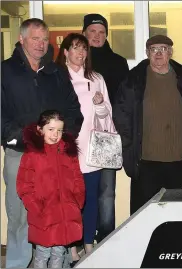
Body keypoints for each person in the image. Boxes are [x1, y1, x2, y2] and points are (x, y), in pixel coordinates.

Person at [1, 18, 83, 268]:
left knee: (58, 210)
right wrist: (29, 137)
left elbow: (74, 110)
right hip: (21, 154)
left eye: (44, 39)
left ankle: (58, 261)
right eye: (34, 38)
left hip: (57, 156)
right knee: (21, 215)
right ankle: (17, 263)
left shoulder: (56, 72)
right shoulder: (5, 71)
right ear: (21, 39)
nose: (40, 44)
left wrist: (59, 136)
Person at [113, 35, 182, 215]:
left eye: (163, 49)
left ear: (171, 53)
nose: (158, 53)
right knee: (143, 215)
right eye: (153, 49)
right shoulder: (134, 79)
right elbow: (121, 113)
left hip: (177, 160)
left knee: (171, 215)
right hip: (145, 162)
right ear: (147, 53)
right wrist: (129, 144)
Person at [55, 33, 113, 265]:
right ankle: (71, 249)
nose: (81, 53)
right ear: (66, 52)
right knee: (69, 203)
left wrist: (99, 105)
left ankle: (89, 245)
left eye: (84, 49)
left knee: (90, 200)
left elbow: (106, 117)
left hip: (92, 150)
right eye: (75, 48)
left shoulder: (97, 78)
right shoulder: (57, 78)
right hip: (66, 150)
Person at [17, 110, 85, 268]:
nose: (55, 134)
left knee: (59, 254)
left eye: (59, 130)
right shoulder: (32, 155)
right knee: (42, 255)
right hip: (44, 216)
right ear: (40, 130)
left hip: (65, 215)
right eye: (51, 129)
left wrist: (77, 200)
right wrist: (36, 207)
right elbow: (24, 185)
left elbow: (77, 178)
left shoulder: (68, 153)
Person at [82, 13, 129, 243]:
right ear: (84, 34)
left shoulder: (118, 62)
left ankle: (106, 239)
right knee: (80, 192)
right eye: (92, 31)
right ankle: (81, 240)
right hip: (79, 138)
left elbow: (124, 101)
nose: (97, 36)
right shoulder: (74, 62)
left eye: (102, 32)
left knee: (107, 192)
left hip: (108, 137)